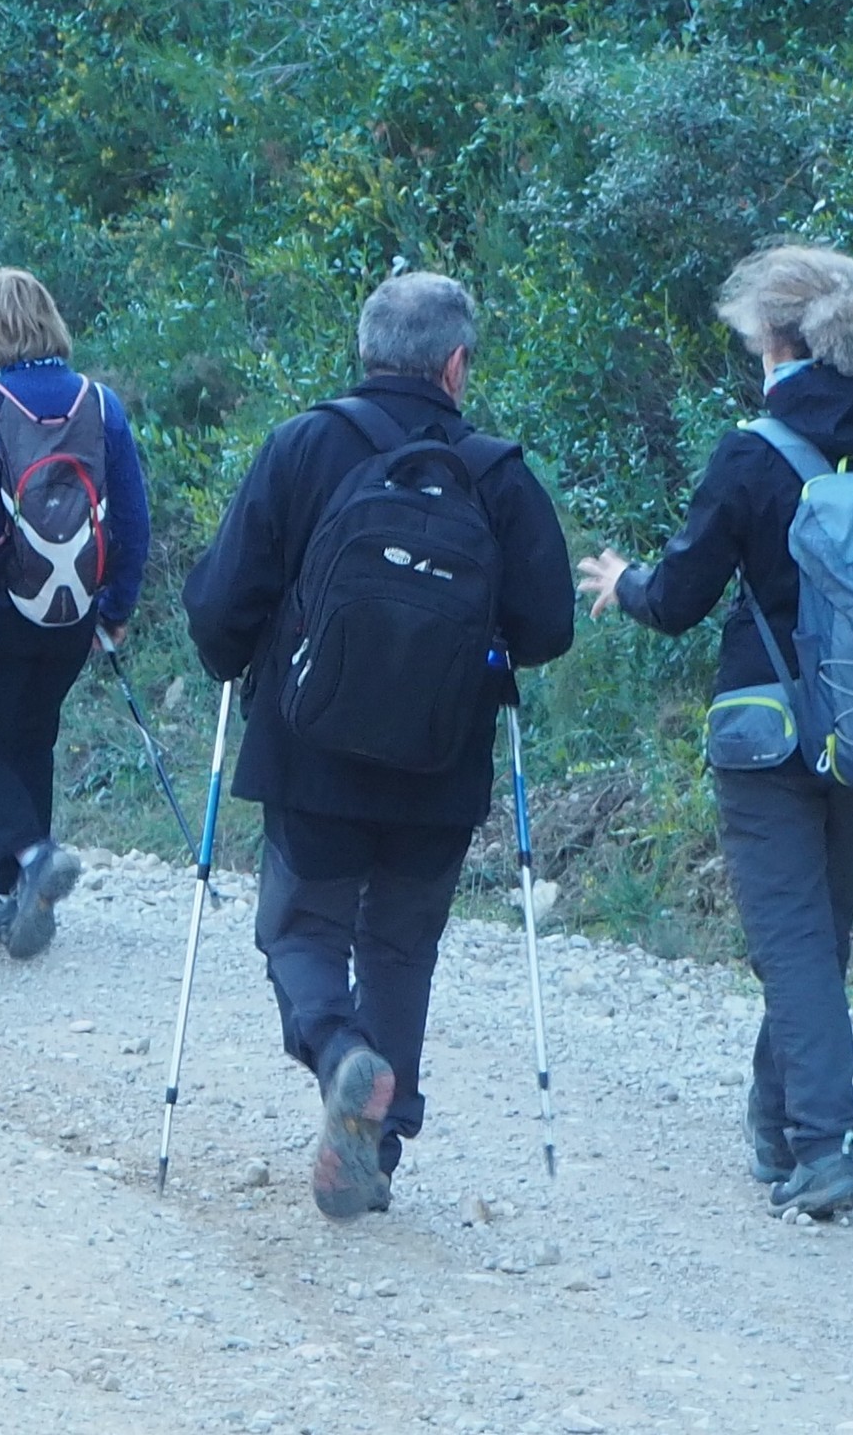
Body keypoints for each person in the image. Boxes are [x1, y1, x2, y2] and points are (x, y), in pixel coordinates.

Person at [576, 246, 853, 1223]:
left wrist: (622, 583)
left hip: (766, 739)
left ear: (776, 341)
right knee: (814, 931)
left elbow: (677, 599)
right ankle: (777, 1124)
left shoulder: (752, 452)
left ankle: (823, 1145)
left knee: (793, 939)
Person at [186, 270, 573, 1221]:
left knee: (298, 930)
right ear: (456, 365)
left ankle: (339, 1056)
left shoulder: (303, 446)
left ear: (365, 352)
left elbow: (222, 603)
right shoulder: (496, 472)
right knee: (401, 948)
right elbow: (549, 626)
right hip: (440, 761)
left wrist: (237, 661)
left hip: (310, 749)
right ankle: (377, 1153)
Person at [0, 266, 150, 957]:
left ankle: (33, 858)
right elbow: (133, 518)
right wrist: (117, 605)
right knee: (30, 742)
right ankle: (13, 894)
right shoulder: (100, 405)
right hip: (72, 613)